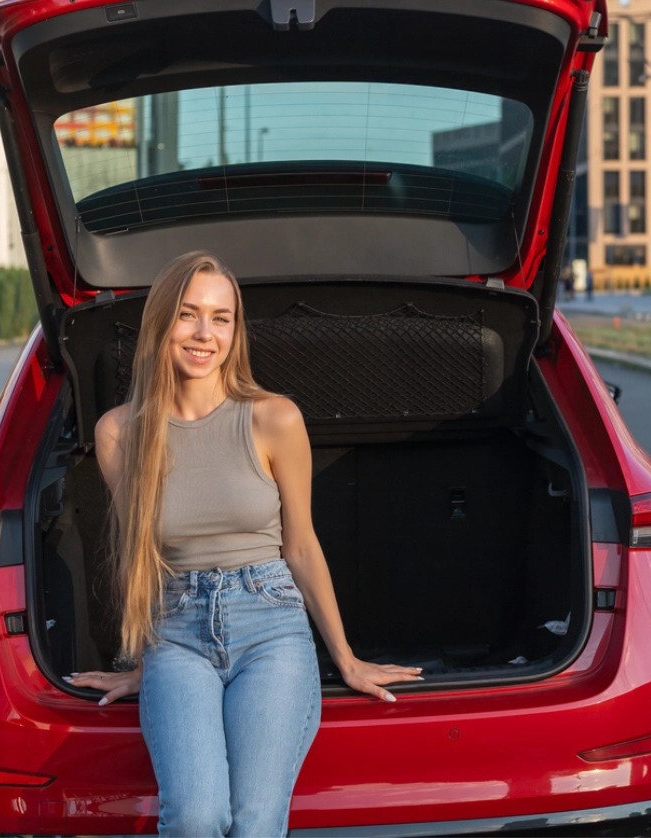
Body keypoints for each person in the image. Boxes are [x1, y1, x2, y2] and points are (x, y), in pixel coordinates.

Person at [66, 251, 422, 836]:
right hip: (175, 634)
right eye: (188, 314)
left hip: (270, 626)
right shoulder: (120, 433)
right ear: (161, 324)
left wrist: (346, 657)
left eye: (222, 317)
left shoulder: (272, 418)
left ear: (236, 330)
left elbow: (302, 546)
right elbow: (141, 560)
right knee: (198, 816)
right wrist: (142, 666)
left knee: (256, 823)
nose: (205, 333)